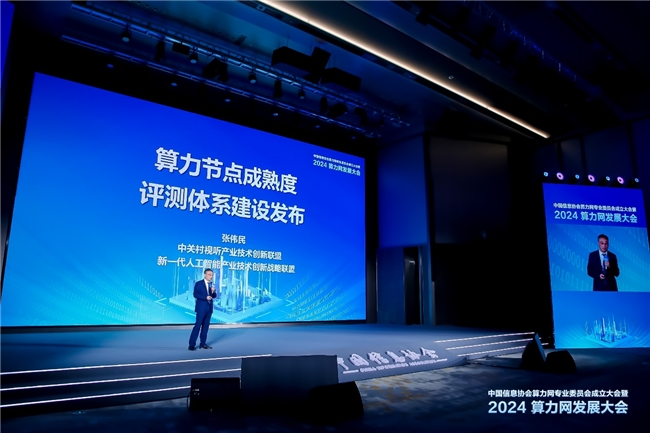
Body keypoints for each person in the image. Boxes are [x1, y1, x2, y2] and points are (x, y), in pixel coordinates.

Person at [188, 268, 217, 350]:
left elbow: (214, 296)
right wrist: (205, 297)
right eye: (209, 274)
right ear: (205, 275)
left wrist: (213, 292)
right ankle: (191, 344)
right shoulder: (199, 283)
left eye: (212, 275)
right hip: (201, 308)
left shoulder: (211, 284)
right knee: (198, 325)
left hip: (209, 308)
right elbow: (195, 294)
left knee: (205, 327)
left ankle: (203, 343)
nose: (211, 276)